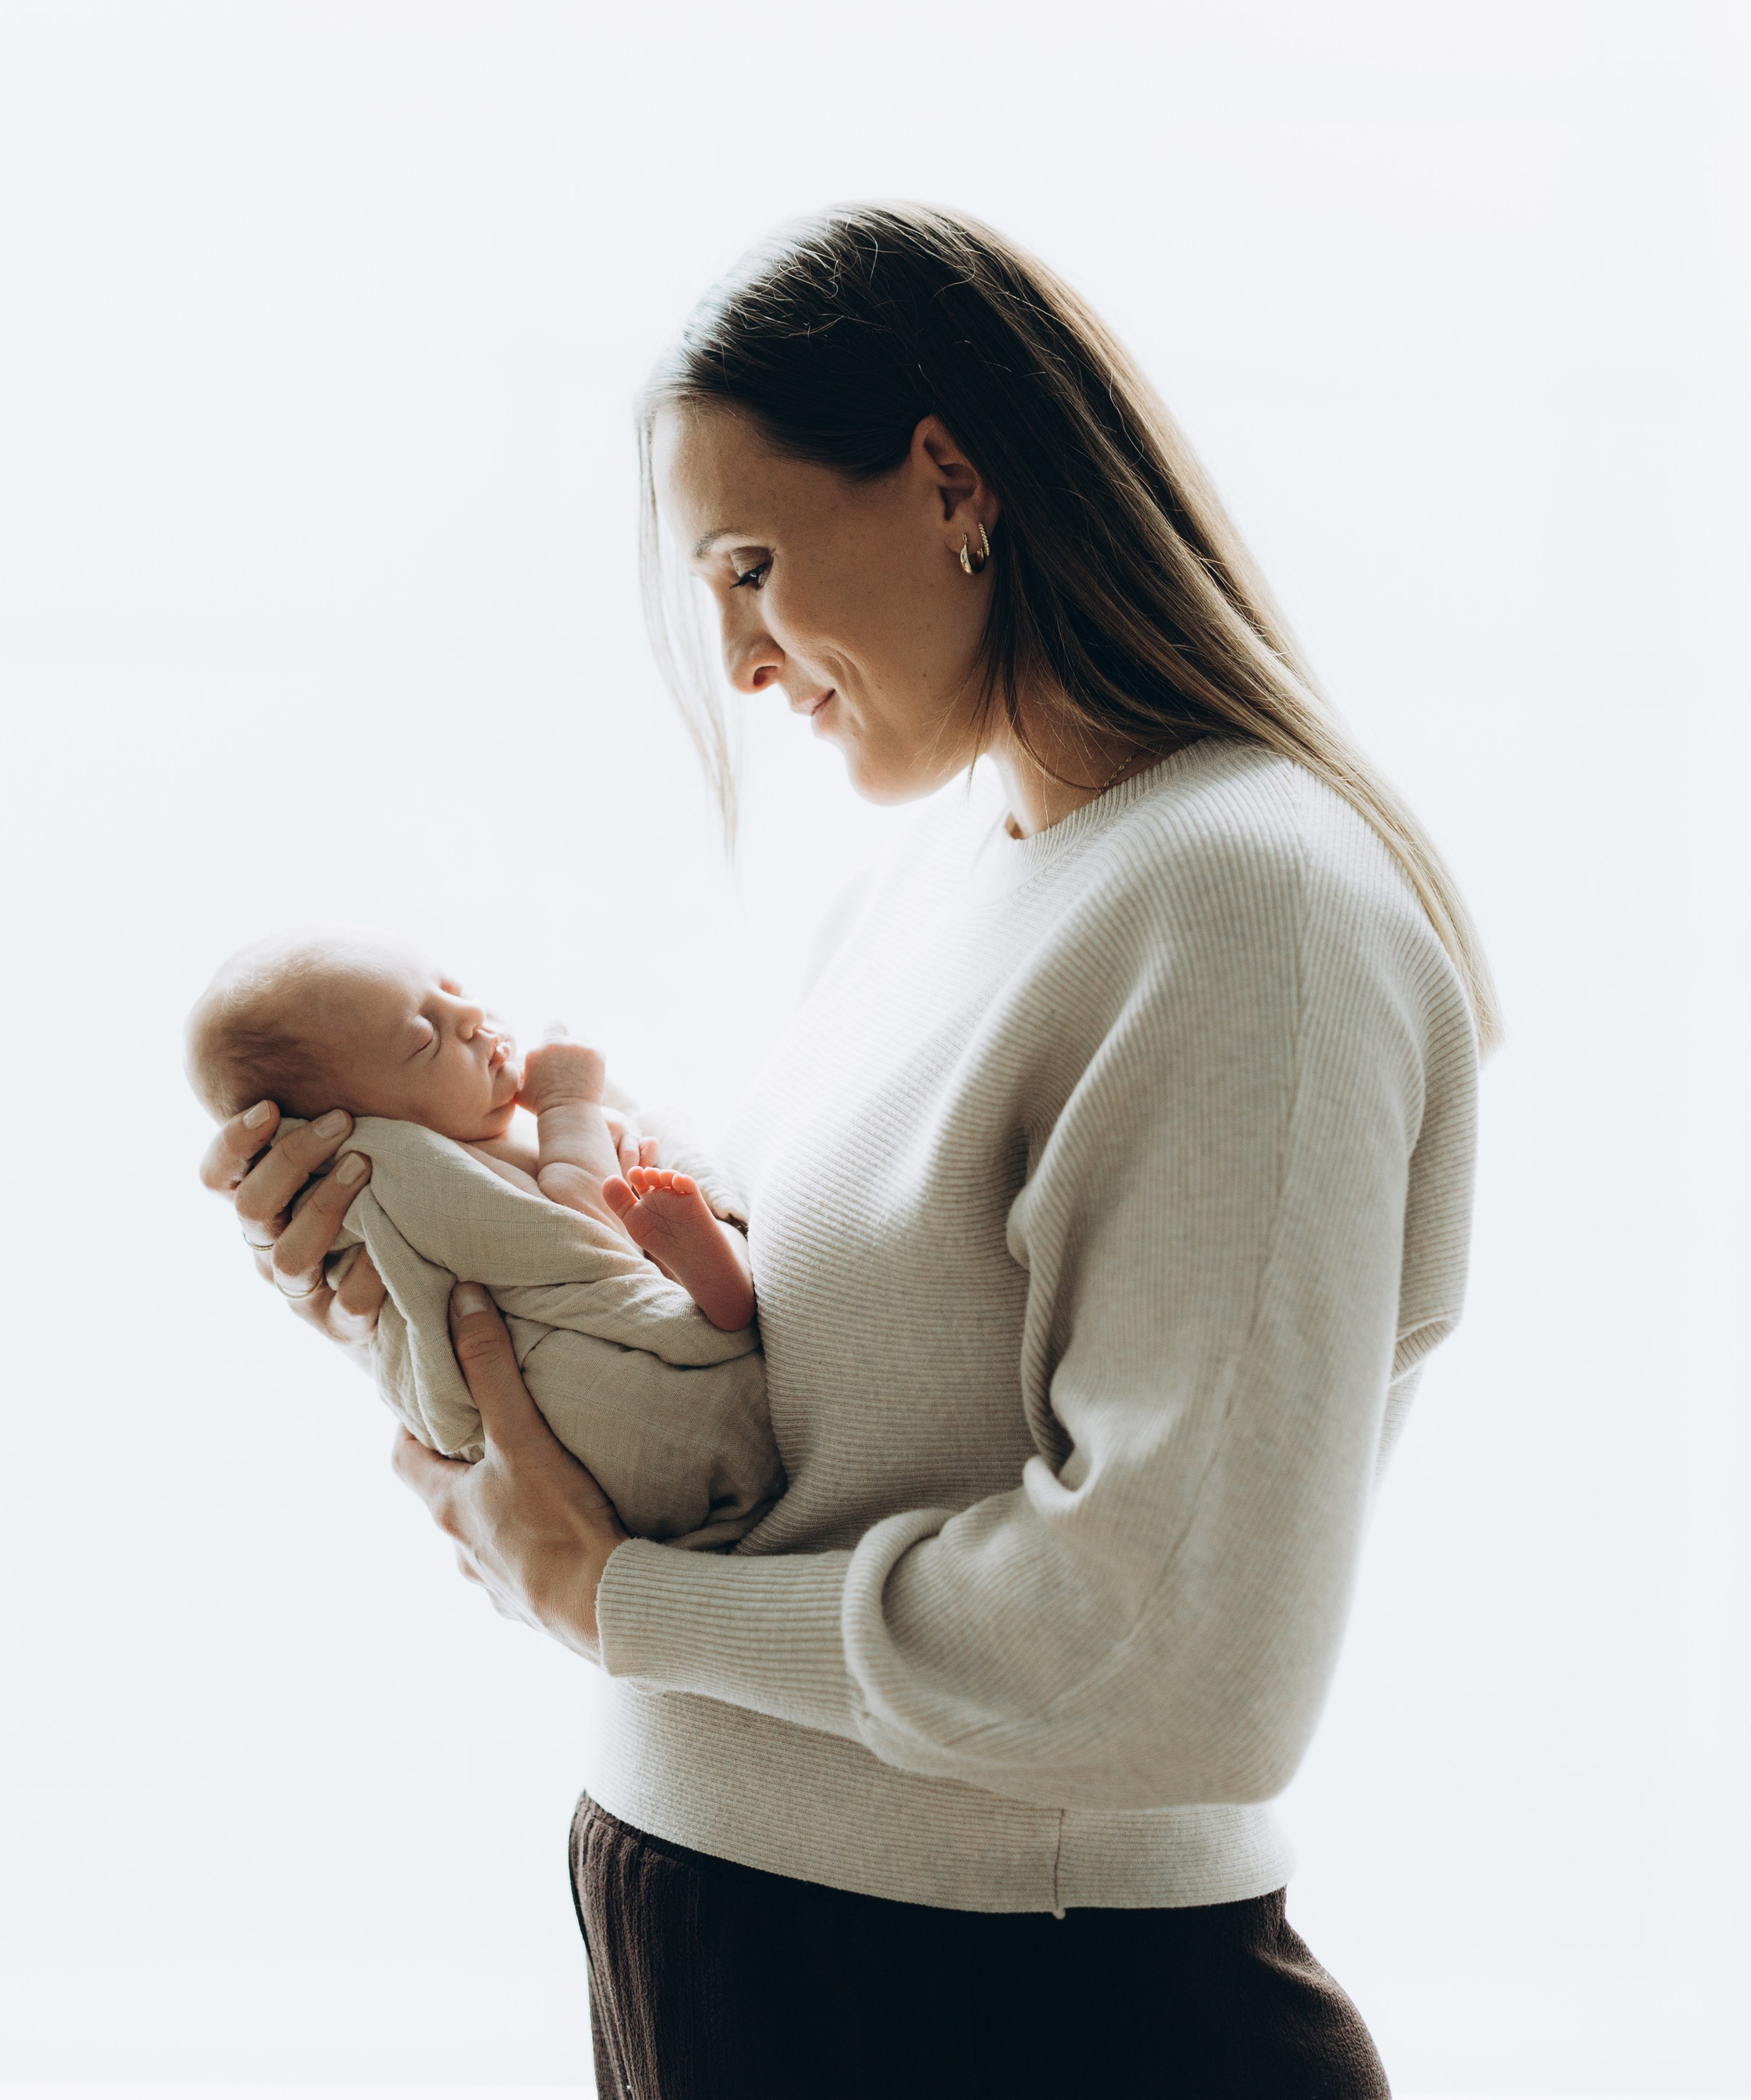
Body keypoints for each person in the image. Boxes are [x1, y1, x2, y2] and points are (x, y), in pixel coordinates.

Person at [199, 202, 1492, 2098]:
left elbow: (1175, 1657)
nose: (735, 661)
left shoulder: (1245, 905)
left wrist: (616, 1607)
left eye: (750, 566)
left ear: (951, 481)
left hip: (1005, 2005)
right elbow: (768, 1404)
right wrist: (409, 1242)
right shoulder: (947, 876)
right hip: (770, 1964)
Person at [186, 925, 754, 1324]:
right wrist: (570, 1106)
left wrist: (607, 1127)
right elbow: (581, 1231)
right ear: (362, 1131)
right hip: (625, 1303)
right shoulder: (445, 1181)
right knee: (701, 1291)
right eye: (424, 1039)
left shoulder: (490, 1126)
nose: (472, 1015)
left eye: (451, 990)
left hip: (656, 1261)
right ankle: (717, 1281)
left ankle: (717, 1271)